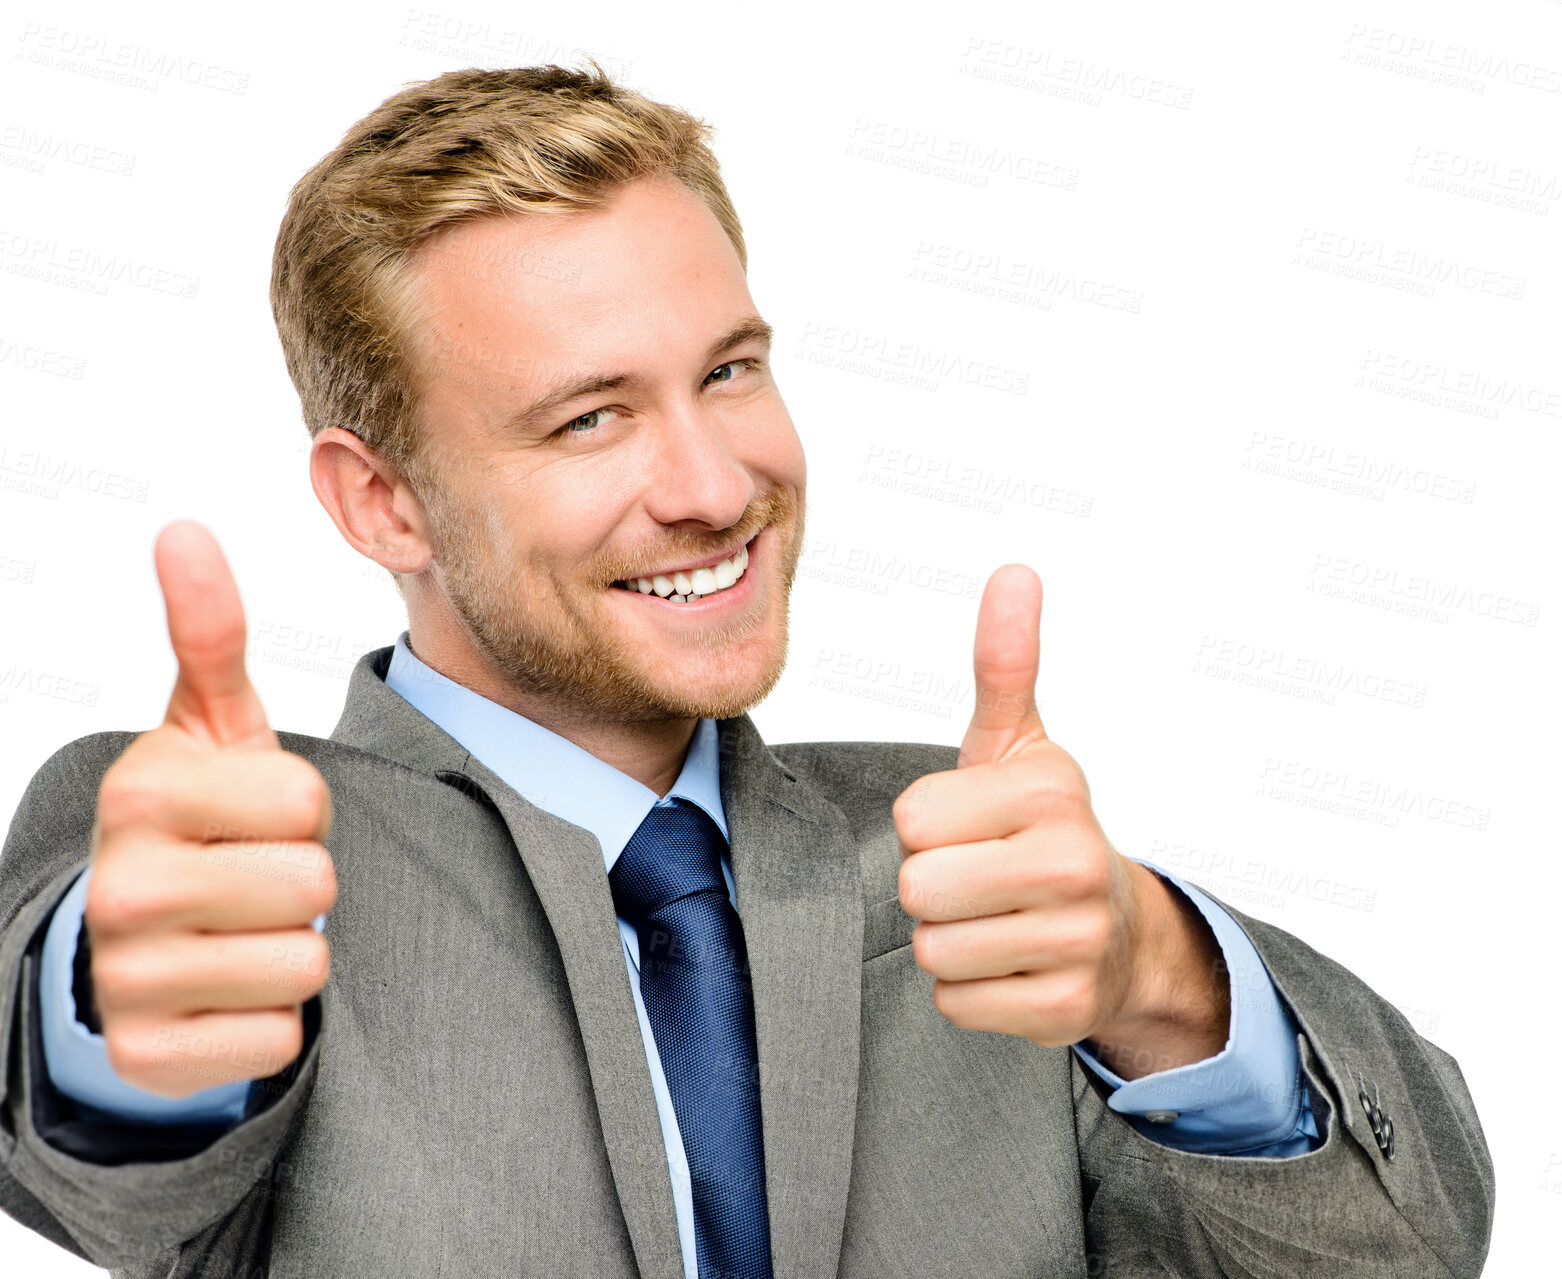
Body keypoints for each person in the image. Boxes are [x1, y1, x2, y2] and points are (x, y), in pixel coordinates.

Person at [0, 62, 1493, 1278]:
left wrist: (1156, 973)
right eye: (589, 418)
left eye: (727, 371)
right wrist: (131, 1016)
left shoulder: (972, 856)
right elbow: (99, 1172)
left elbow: (1402, 1250)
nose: (714, 485)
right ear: (382, 502)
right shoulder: (240, 850)